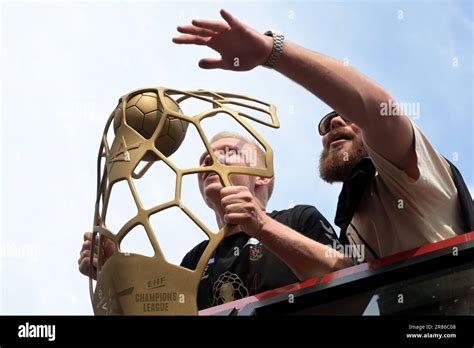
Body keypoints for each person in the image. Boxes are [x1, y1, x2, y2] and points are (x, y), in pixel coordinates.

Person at [172, 9, 474, 263]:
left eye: (346, 115)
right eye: (325, 124)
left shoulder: (412, 174)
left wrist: (270, 51)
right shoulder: (353, 219)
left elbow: (377, 109)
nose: (334, 124)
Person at [79, 132, 351, 310]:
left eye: (229, 151)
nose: (209, 159)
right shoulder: (194, 259)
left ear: (262, 176)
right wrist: (112, 273)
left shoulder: (299, 218)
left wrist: (261, 226)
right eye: (204, 157)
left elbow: (349, 276)